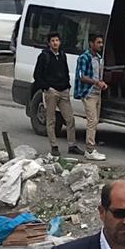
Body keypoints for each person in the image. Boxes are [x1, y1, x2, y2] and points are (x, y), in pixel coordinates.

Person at [34, 31, 83, 159]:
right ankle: (54, 146)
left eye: (57, 40)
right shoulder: (44, 56)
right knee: (51, 120)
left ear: (60, 42)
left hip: (63, 90)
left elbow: (65, 71)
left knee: (70, 119)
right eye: (52, 41)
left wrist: (67, 85)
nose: (55, 43)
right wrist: (47, 88)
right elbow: (37, 75)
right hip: (52, 91)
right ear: (49, 43)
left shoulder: (62, 55)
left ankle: (72, 145)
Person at [73, 33, 109, 161]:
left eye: (101, 42)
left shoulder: (98, 58)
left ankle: (91, 147)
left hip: (97, 93)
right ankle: (89, 149)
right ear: (91, 43)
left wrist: (101, 82)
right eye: (98, 42)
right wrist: (96, 82)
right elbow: (82, 76)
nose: (100, 45)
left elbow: (97, 75)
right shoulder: (84, 57)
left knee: (95, 121)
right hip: (88, 93)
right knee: (92, 121)